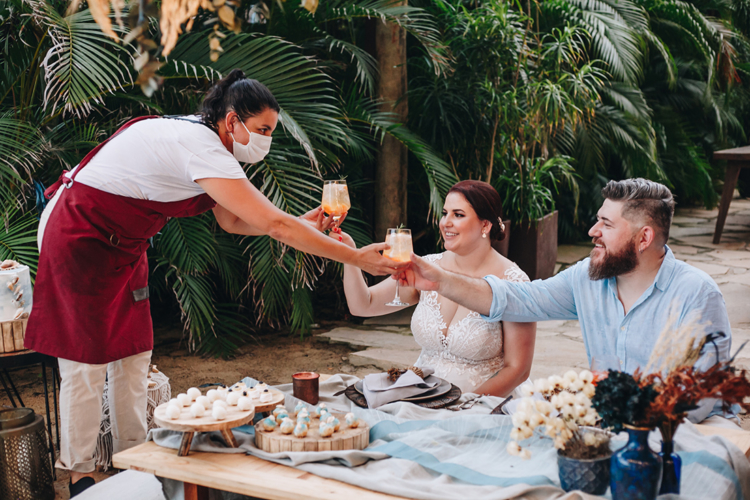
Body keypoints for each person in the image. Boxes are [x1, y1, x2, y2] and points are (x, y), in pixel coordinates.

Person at [24, 69, 404, 496]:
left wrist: (303, 224)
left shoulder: (216, 148)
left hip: (126, 245)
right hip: (79, 231)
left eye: (271, 131)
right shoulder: (199, 145)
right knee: (85, 363)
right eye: (262, 129)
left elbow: (233, 219)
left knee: (133, 352)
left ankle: (134, 462)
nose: (266, 140)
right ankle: (80, 475)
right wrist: (354, 257)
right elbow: (274, 227)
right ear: (231, 121)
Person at [400, 178, 737, 426]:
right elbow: (519, 298)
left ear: (644, 237)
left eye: (606, 224)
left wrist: (606, 401)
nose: (593, 230)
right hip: (608, 423)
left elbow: (697, 401)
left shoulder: (697, 295)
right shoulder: (587, 277)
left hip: (688, 430)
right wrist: (440, 279)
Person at [334, 180, 536, 396]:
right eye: (445, 213)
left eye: (458, 215)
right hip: (423, 397)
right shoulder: (427, 268)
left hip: (482, 404)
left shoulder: (514, 282)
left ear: (485, 225)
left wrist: (465, 406)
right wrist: (349, 254)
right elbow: (363, 305)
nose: (445, 222)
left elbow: (518, 369)